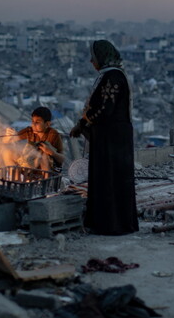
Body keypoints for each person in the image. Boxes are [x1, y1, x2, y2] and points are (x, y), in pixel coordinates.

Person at [70, 40, 139, 235]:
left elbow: (104, 109)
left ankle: (112, 225)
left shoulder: (113, 77)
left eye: (94, 56)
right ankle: (105, 223)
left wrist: (85, 122)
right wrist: (82, 125)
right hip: (109, 137)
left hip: (113, 138)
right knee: (104, 178)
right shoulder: (108, 76)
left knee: (111, 179)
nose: (91, 61)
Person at [9, 106, 65, 172]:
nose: (33, 125)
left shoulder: (53, 135)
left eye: (37, 122)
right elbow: (10, 139)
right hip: (31, 162)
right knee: (8, 153)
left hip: (48, 168)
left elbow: (62, 159)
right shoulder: (29, 131)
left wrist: (52, 153)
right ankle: (17, 179)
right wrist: (9, 135)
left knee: (44, 156)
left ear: (47, 124)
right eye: (32, 121)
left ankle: (45, 181)